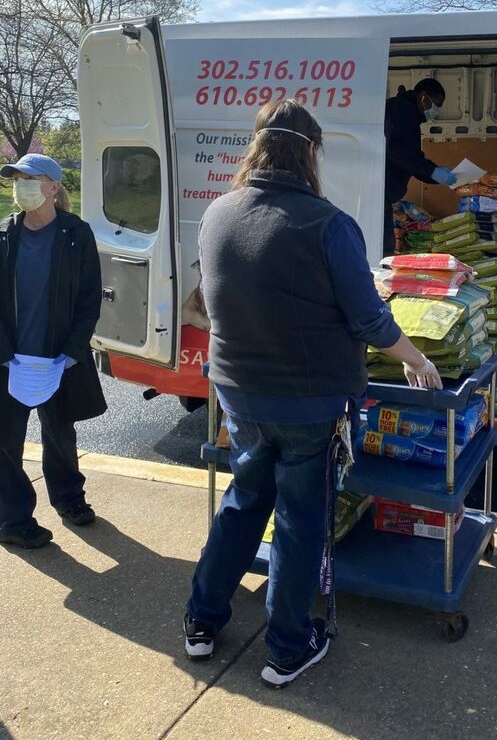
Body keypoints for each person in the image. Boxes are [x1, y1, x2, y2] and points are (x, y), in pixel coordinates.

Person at [184, 100, 443, 687]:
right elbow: (371, 322)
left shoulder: (218, 215)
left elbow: (219, 293)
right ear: (310, 152)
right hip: (309, 404)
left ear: (256, 147)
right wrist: (418, 358)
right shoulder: (327, 224)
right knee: (300, 520)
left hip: (239, 395)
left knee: (243, 501)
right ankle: (287, 648)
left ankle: (201, 622)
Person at [0, 153, 106, 549]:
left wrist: (73, 351)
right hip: (9, 359)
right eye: (16, 178)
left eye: (29, 178)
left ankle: (69, 500)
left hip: (57, 359)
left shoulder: (76, 233)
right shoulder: (4, 234)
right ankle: (13, 519)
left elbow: (89, 298)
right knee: (5, 442)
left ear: (53, 186)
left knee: (60, 434)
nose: (20, 185)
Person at [384, 78, 457, 255]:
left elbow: (412, 160)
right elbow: (400, 154)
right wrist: (433, 172)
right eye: (435, 105)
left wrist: (434, 174)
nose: (435, 112)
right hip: (380, 190)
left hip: (384, 192)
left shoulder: (404, 111)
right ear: (423, 96)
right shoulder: (403, 112)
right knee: (384, 246)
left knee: (385, 244)